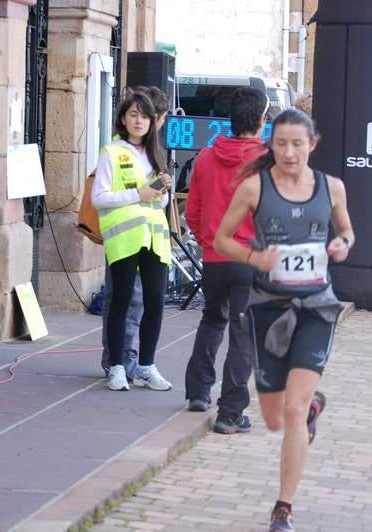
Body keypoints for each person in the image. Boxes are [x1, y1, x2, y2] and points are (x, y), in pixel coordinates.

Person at [214, 109, 354, 531]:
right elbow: (220, 238)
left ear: (312, 144)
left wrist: (342, 245)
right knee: (275, 418)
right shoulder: (255, 187)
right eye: (280, 143)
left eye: (297, 144)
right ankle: (311, 408)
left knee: (290, 412)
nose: (289, 152)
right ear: (270, 145)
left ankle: (283, 508)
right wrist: (255, 256)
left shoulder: (331, 187)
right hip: (268, 309)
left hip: (316, 308)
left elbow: (347, 231)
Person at [183, 88, 269, 434]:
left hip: (215, 256)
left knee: (211, 320)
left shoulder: (206, 156)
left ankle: (198, 392)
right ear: (262, 121)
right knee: (243, 334)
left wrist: (208, 242)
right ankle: (230, 412)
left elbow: (193, 211)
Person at [92, 90, 173, 392]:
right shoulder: (111, 152)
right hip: (124, 239)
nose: (139, 121)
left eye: (145, 116)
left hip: (154, 239)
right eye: (133, 115)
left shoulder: (155, 154)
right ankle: (115, 367)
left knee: (155, 303)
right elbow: (98, 198)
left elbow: (158, 204)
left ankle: (147, 366)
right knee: (121, 303)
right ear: (123, 119)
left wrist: (160, 193)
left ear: (154, 121)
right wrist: (137, 194)